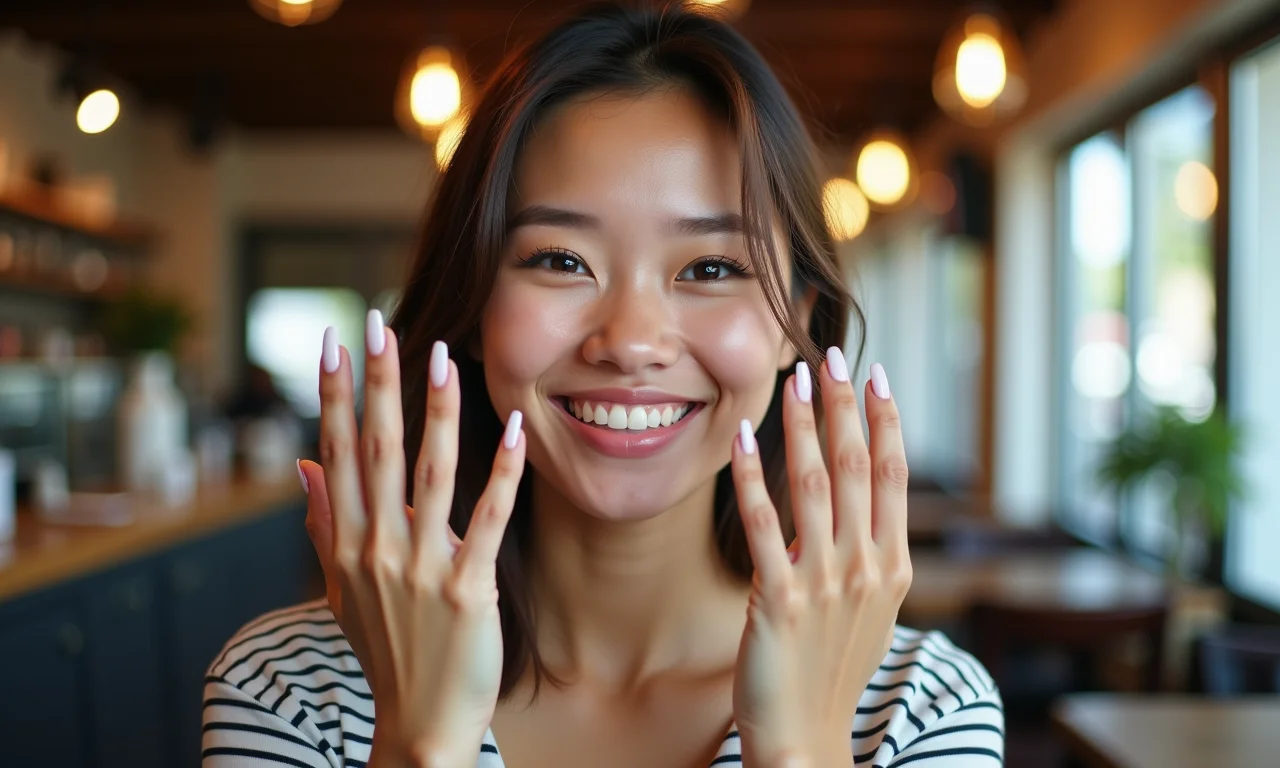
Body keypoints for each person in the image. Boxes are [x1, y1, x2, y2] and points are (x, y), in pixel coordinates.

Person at [202, 4, 1003, 766]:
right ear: (475, 303)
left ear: (796, 322)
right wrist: (421, 741)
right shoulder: (287, 692)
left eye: (713, 267)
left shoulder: (921, 707)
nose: (629, 342)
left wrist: (800, 751)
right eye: (560, 260)